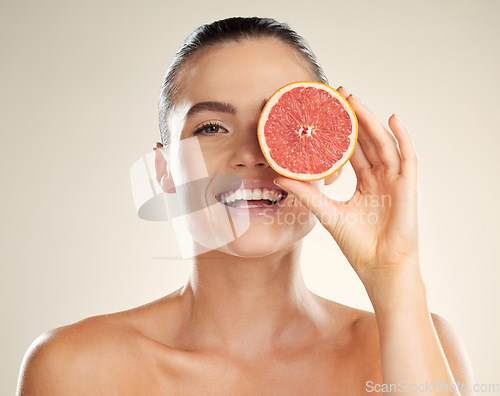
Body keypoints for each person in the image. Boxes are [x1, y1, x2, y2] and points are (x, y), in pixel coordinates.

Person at [18, 17, 474, 395]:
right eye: (212, 127)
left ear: (328, 159)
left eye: (283, 126)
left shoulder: (414, 339)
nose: (252, 154)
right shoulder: (76, 370)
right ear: (164, 172)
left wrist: (394, 275)